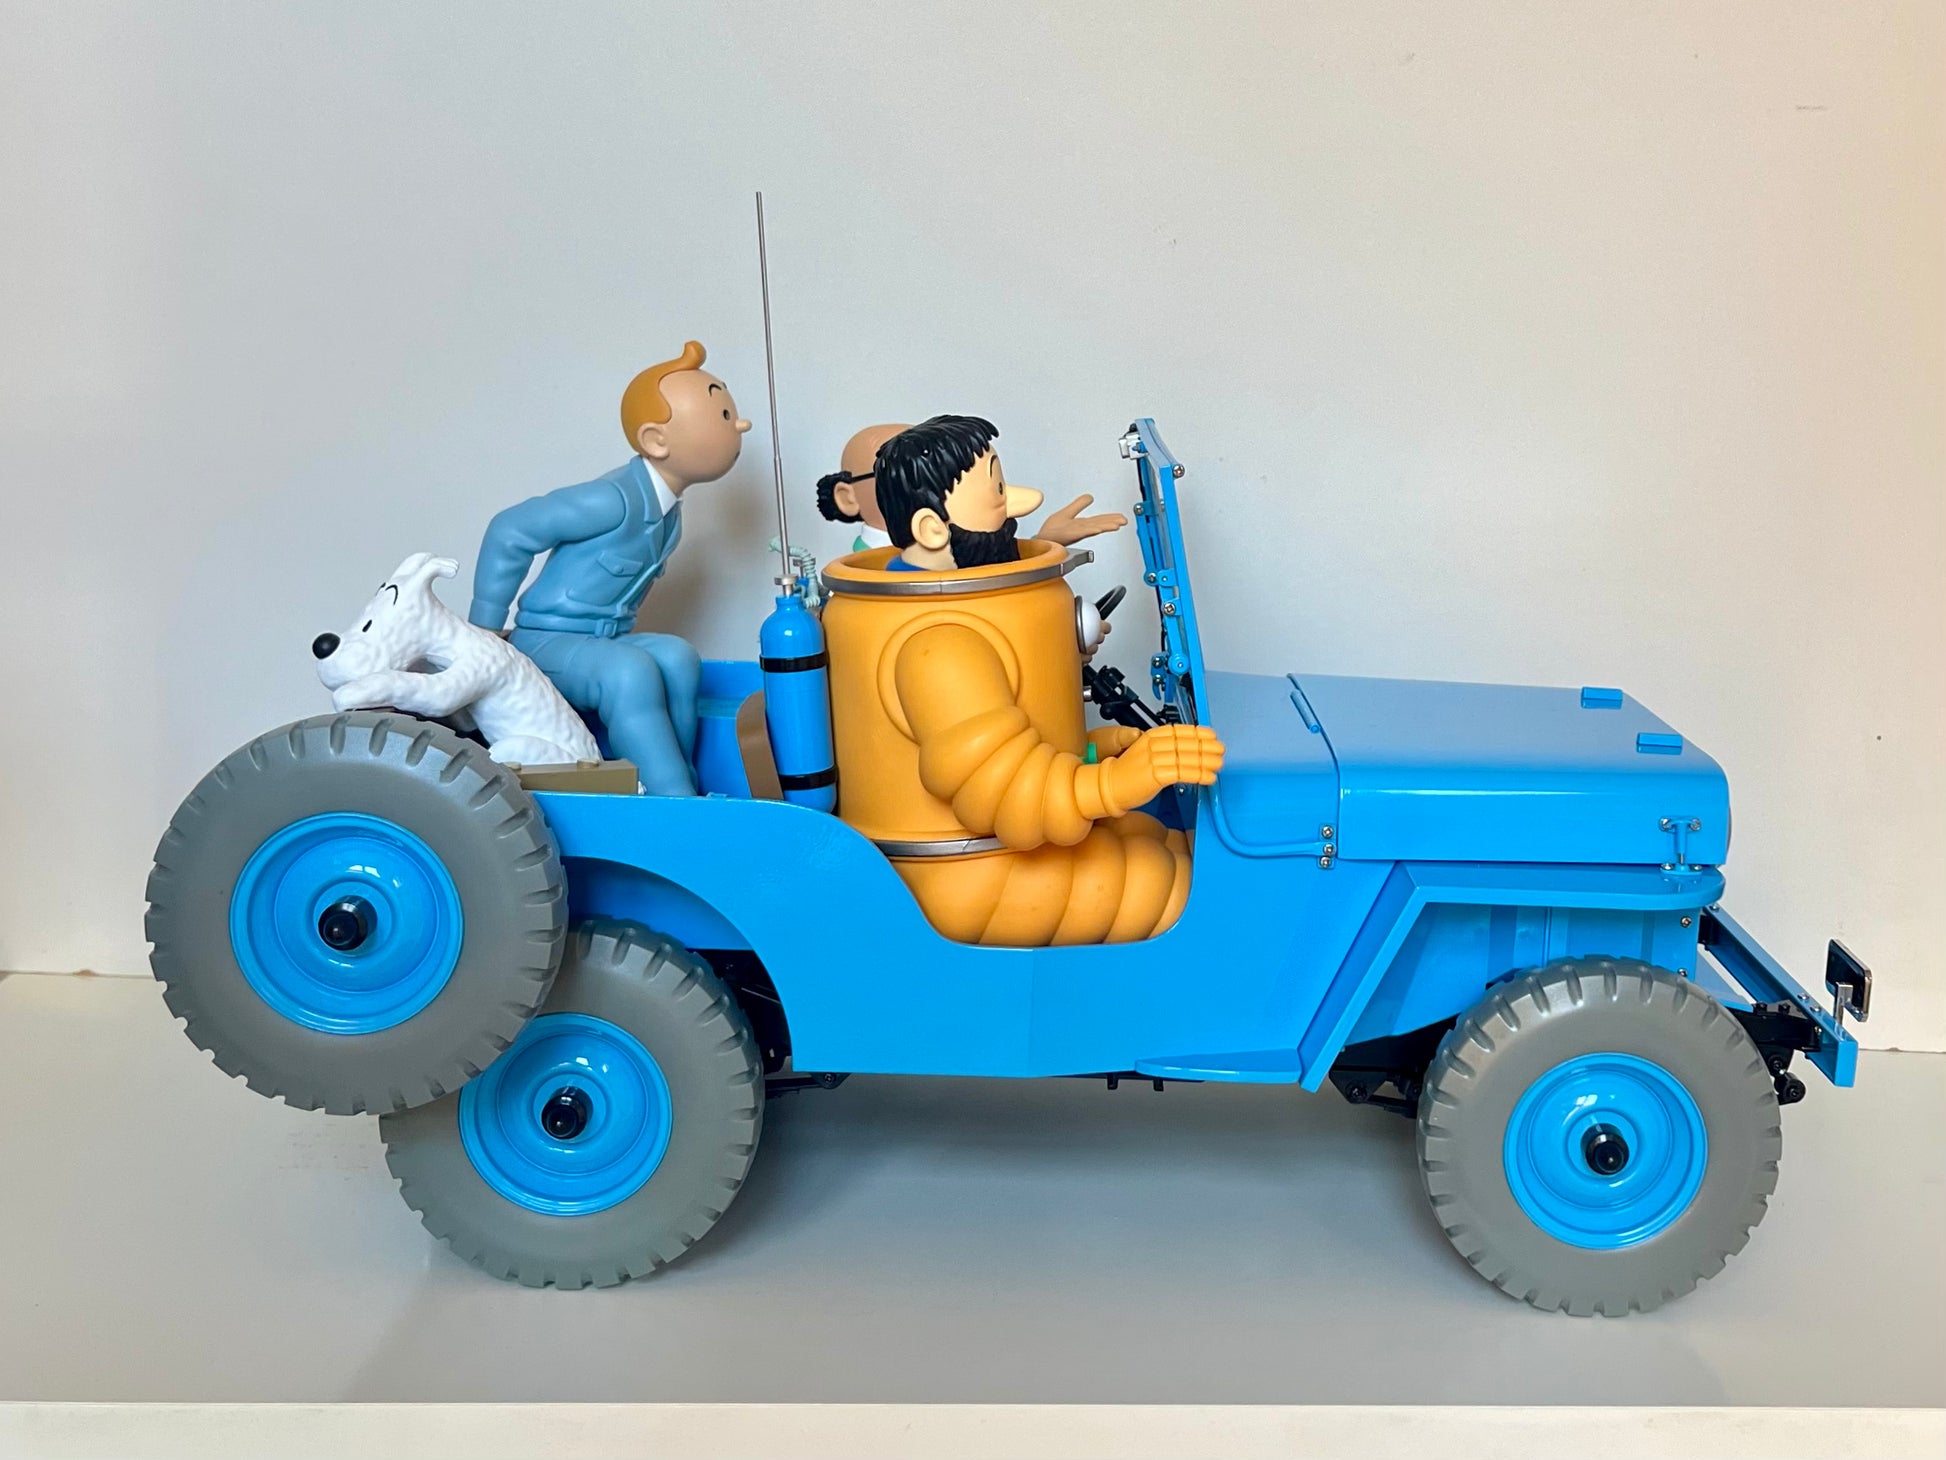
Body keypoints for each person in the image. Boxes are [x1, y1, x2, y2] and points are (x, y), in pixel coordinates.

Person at [819, 415, 1225, 945]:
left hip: (1011, 852)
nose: (1018, 504)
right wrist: (1124, 780)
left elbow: (1010, 745)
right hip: (971, 879)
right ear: (933, 529)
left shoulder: (954, 609)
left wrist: (1097, 750)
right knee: (1184, 891)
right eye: (997, 491)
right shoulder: (938, 643)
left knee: (1159, 841)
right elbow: (1007, 797)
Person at [468, 341, 750, 795]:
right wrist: (482, 632)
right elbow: (511, 529)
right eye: (721, 415)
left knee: (677, 657)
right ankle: (672, 798)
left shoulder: (669, 514)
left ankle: (674, 788)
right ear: (656, 440)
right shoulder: (612, 500)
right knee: (629, 673)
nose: (740, 424)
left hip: (604, 639)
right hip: (546, 641)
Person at [816, 422, 1127, 553]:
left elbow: (987, 575)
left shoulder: (949, 546)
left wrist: (1044, 543)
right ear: (848, 498)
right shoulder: (872, 573)